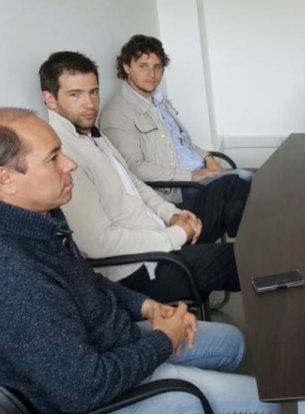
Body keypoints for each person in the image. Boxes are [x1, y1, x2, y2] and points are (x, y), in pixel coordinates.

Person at [0, 107, 278, 413]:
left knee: (233, 343)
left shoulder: (43, 219)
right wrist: (163, 339)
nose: (70, 164)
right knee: (264, 404)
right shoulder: (14, 274)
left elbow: (88, 280)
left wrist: (147, 306)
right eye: (53, 158)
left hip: (118, 342)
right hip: (106, 391)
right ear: (6, 179)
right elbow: (85, 388)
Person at [39, 51, 240, 303]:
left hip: (159, 236)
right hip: (137, 269)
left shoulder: (91, 135)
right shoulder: (62, 156)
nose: (89, 103)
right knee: (241, 259)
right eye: (75, 94)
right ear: (50, 99)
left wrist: (172, 215)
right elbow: (97, 244)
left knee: (231, 186)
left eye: (93, 92)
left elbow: (133, 182)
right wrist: (176, 235)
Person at [100, 34, 252, 217]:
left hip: (200, 172)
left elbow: (181, 143)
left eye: (157, 67)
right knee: (244, 180)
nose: (152, 74)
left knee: (248, 183)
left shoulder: (159, 101)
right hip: (176, 190)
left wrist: (208, 157)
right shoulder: (117, 113)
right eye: (143, 66)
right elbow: (133, 168)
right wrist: (191, 176)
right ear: (126, 67)